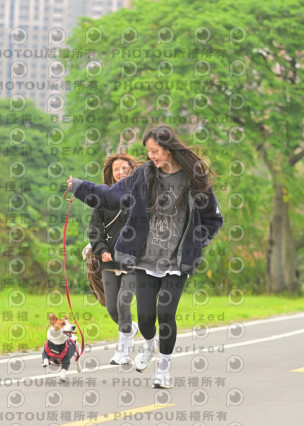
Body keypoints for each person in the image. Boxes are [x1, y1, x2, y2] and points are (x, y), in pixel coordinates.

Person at [67, 124, 224, 388]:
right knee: (146, 318)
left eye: (155, 151)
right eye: (149, 151)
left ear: (169, 149)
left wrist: (197, 242)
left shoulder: (193, 177)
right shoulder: (145, 175)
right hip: (144, 259)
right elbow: (111, 196)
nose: (150, 156)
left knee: (166, 313)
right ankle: (149, 344)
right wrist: (79, 187)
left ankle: (164, 369)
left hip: (176, 262)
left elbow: (213, 219)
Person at [87, 153, 140, 365]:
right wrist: (101, 250)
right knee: (112, 308)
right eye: (116, 169)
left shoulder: (142, 197)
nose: (120, 172)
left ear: (132, 170)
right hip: (109, 261)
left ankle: (123, 352)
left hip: (134, 261)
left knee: (123, 303)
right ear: (111, 173)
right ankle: (130, 328)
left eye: (124, 168)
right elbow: (94, 229)